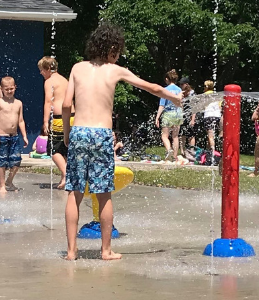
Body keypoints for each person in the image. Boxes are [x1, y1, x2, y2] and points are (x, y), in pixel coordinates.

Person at [61, 22, 183, 261]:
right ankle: (105, 251)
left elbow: (66, 105)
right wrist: (173, 97)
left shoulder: (77, 68)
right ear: (112, 49)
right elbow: (153, 87)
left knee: (74, 192)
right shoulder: (115, 70)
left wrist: (67, 133)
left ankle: (71, 251)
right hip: (101, 134)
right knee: (104, 193)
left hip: (79, 131)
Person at [39, 56, 71, 189]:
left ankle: (66, 175)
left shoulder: (49, 81)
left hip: (59, 118)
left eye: (41, 70)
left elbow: (48, 101)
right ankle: (66, 177)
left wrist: (46, 121)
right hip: (72, 117)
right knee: (66, 149)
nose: (41, 73)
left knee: (53, 149)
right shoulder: (64, 80)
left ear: (47, 69)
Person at [0, 77, 27, 191]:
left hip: (14, 136)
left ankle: (9, 180)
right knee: (2, 161)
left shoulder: (18, 103)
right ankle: (2, 185)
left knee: (16, 160)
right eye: (6, 89)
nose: (9, 91)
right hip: (2, 136)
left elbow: (21, 120)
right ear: (1, 89)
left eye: (11, 88)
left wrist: (25, 136)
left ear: (15, 87)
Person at [153, 70, 184, 162]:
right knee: (175, 136)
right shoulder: (179, 90)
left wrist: (157, 117)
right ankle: (175, 157)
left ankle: (169, 150)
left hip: (168, 114)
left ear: (167, 79)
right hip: (178, 113)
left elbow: (162, 105)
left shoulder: (165, 90)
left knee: (164, 136)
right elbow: (181, 104)